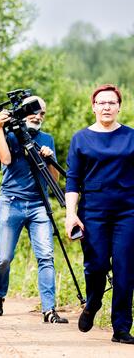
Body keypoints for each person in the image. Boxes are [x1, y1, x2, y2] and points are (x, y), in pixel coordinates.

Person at [0, 96, 68, 324]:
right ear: (24, 112)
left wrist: (50, 158)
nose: (38, 116)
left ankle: (49, 309)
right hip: (11, 201)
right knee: (4, 257)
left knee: (46, 256)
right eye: (34, 111)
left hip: (39, 204)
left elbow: (52, 180)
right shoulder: (11, 136)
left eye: (42, 113)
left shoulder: (47, 139)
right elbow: (4, 159)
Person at [65, 84, 134, 345]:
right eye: (101, 102)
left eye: (112, 102)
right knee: (96, 265)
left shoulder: (131, 137)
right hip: (93, 212)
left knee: (126, 270)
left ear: (119, 106)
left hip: (128, 211)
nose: (106, 107)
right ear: (93, 106)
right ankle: (93, 302)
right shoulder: (80, 138)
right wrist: (71, 214)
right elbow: (72, 180)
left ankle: (121, 328)